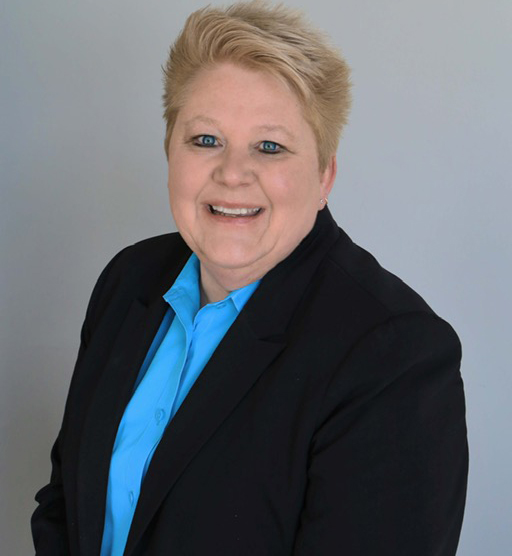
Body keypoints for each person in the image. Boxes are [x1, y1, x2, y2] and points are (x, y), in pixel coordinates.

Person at [31, 2, 468, 555]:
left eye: (270, 147)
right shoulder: (128, 281)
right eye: (205, 140)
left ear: (324, 173)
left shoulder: (393, 355)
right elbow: (67, 505)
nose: (232, 173)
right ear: (170, 150)